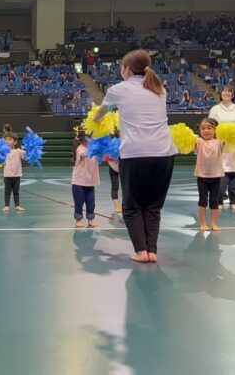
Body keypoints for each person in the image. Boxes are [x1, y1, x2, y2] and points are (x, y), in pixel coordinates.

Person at [94, 49, 177, 263]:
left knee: (131, 206)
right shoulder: (159, 89)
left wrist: (95, 122)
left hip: (135, 153)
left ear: (126, 69)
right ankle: (152, 251)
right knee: (153, 206)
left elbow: (100, 114)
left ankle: (141, 251)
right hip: (164, 154)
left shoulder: (118, 89)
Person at [194, 118, 224, 232]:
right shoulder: (198, 141)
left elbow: (232, 142)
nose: (205, 131)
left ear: (215, 130)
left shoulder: (220, 142)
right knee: (202, 200)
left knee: (214, 201)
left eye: (209, 128)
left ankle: (214, 224)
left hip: (216, 176)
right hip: (202, 176)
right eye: (203, 128)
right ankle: (203, 223)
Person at [71, 130, 100, 228]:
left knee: (91, 202)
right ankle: (78, 219)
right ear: (85, 140)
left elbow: (100, 159)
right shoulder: (80, 148)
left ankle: (90, 219)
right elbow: (84, 154)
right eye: (91, 138)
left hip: (90, 181)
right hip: (78, 182)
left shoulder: (93, 149)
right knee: (79, 202)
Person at [1, 132, 26, 214]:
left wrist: (29, 149)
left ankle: (17, 205)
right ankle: (6, 205)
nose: (7, 141)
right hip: (7, 175)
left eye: (9, 140)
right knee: (7, 192)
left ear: (15, 142)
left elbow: (26, 156)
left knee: (16, 192)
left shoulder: (19, 151)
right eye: (6, 140)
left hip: (17, 175)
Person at [107, 130, 122, 216]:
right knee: (125, 186)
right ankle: (118, 206)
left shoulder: (111, 142)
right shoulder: (121, 141)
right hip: (119, 163)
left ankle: (117, 206)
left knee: (115, 186)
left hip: (113, 164)